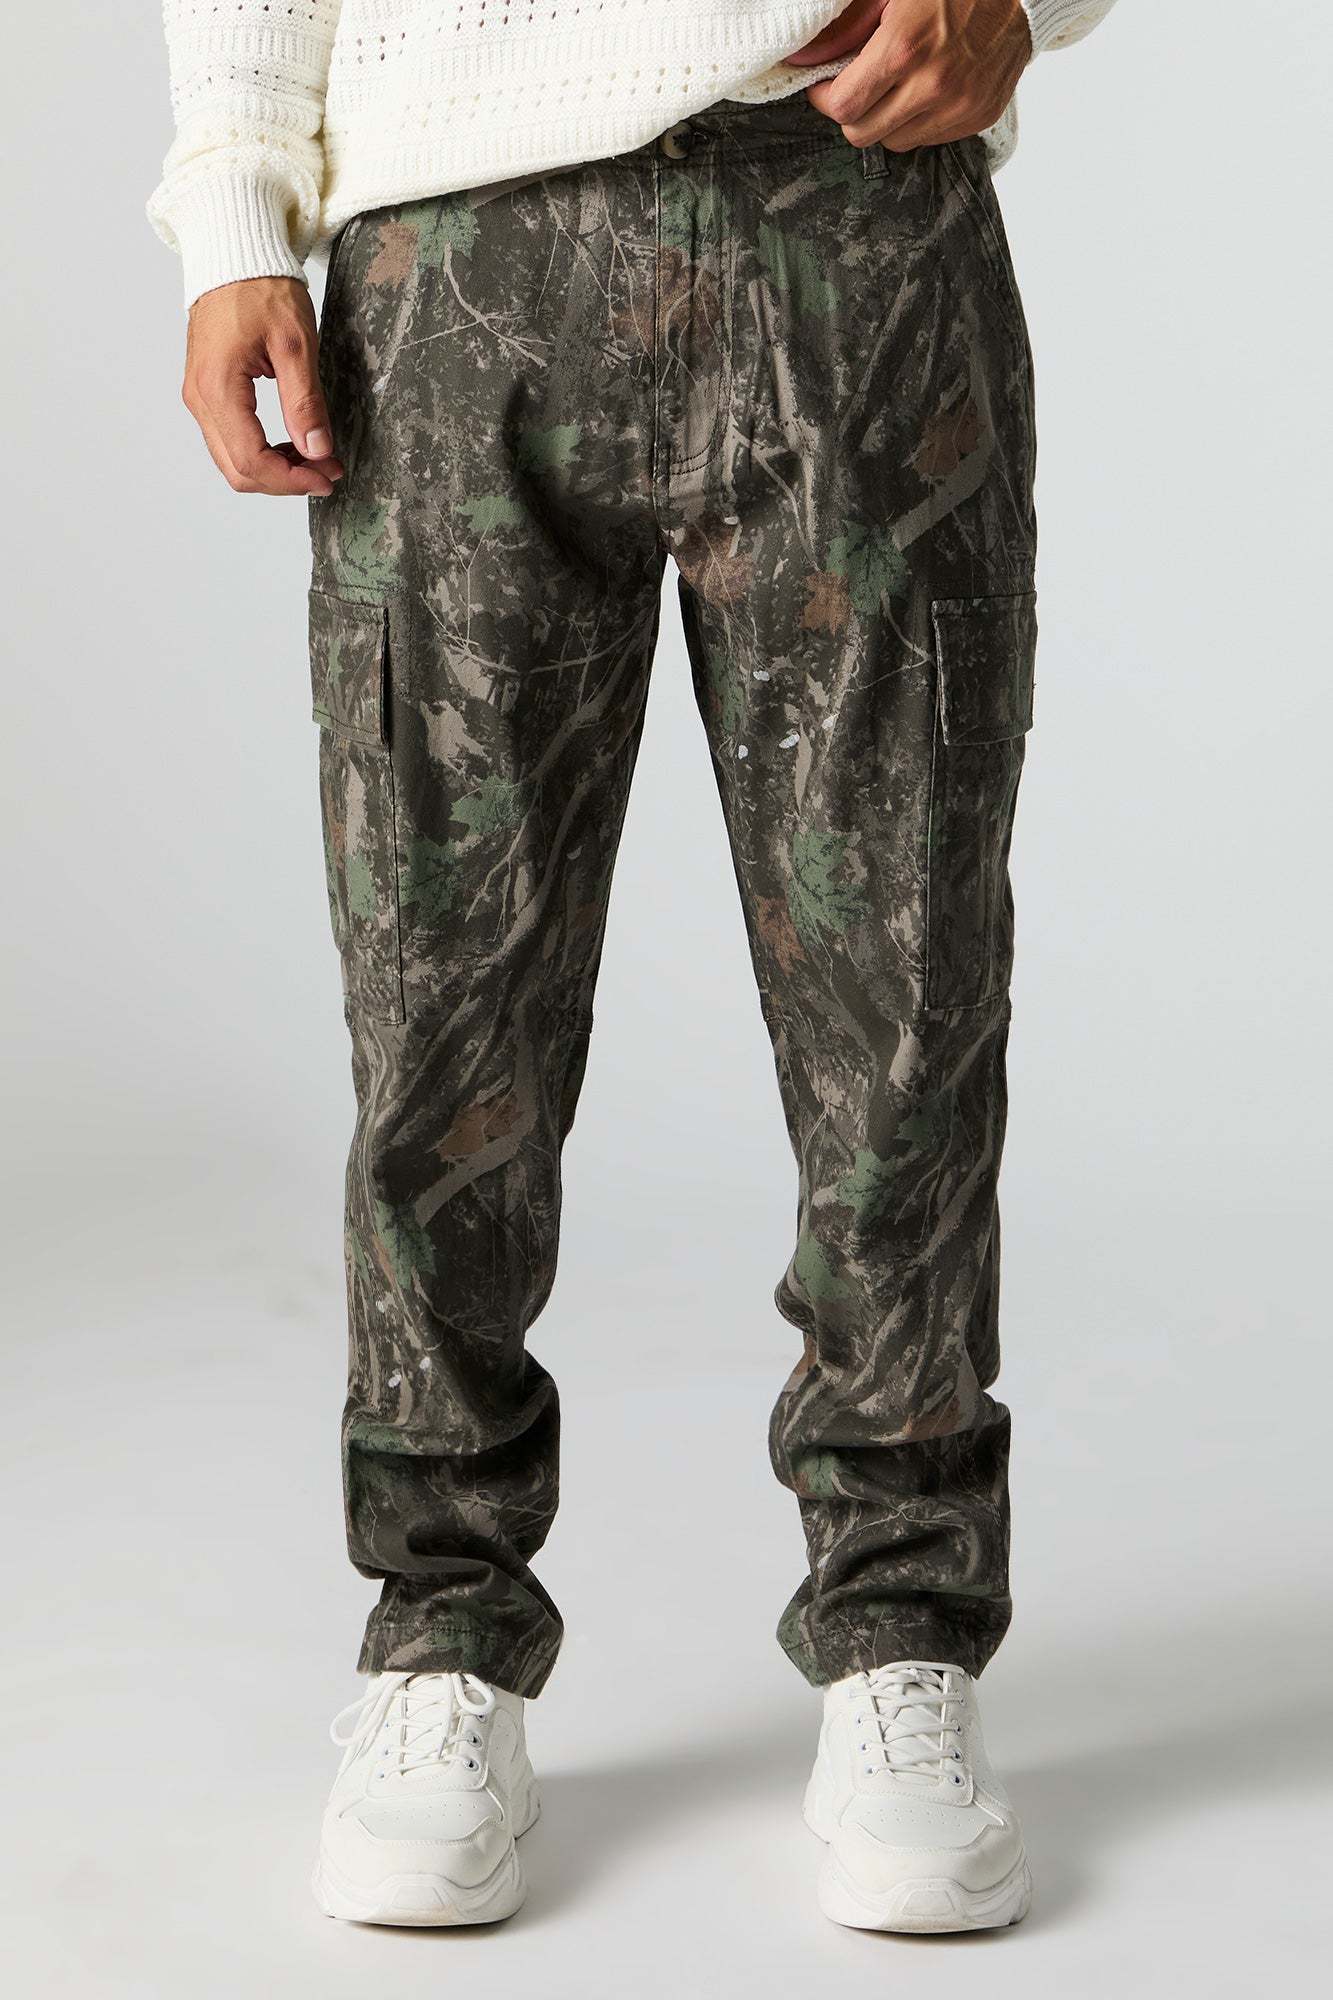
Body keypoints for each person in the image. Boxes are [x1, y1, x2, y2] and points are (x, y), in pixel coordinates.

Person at [151, 0, 1116, 1936]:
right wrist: (233, 210)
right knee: (440, 1008)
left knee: (904, 993)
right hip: (456, 237)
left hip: (850, 202)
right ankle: (438, 1636)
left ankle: (899, 1637)